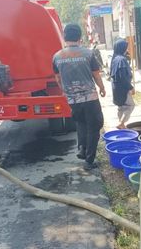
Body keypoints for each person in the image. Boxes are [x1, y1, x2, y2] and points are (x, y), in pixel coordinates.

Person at [53, 23, 105, 170]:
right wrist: (102, 88)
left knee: (81, 123)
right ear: (79, 37)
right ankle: (89, 160)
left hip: (73, 100)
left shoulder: (57, 56)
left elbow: (57, 78)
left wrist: (64, 90)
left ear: (65, 37)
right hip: (90, 98)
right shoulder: (88, 54)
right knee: (95, 126)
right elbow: (96, 74)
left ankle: (82, 148)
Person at [110, 39, 135, 129]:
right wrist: (131, 87)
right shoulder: (121, 60)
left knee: (121, 107)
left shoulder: (115, 58)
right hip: (122, 88)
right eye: (126, 48)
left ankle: (121, 125)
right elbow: (122, 76)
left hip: (115, 87)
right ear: (122, 48)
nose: (127, 49)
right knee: (130, 105)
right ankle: (121, 123)